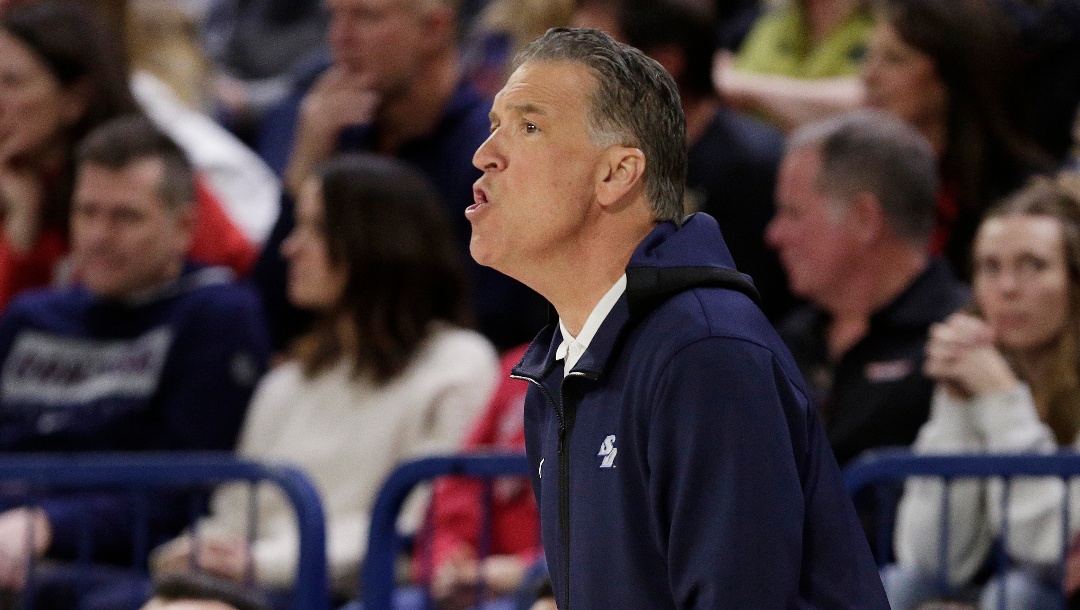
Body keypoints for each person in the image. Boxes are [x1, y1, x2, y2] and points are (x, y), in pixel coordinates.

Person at [468, 27, 888, 608]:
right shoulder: (560, 368)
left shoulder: (705, 353)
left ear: (616, 175)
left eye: (528, 127)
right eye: (494, 125)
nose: (484, 154)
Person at [151, 153, 499, 602]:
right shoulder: (287, 381)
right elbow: (236, 511)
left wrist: (260, 563)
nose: (289, 248)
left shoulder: (457, 364)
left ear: (372, 242)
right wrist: (190, 551)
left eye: (314, 228)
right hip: (251, 588)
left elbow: (420, 524)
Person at [0, 114, 270, 592]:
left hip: (114, 569)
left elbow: (182, 492)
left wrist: (46, 525)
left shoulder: (217, 315)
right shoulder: (31, 317)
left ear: (184, 225)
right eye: (87, 212)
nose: (100, 236)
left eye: (125, 216)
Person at [253, 0, 546, 352]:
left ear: (433, 29)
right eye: (335, 16)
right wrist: (304, 168)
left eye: (365, 16)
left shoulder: (493, 149)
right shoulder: (331, 134)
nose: (340, 37)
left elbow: (496, 323)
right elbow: (274, 319)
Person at [885, 172, 1080, 610]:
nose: (1007, 288)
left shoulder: (994, 383)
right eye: (990, 267)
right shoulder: (976, 368)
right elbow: (929, 557)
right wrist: (956, 404)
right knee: (899, 586)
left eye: (1033, 265)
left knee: (1017, 595)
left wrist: (1000, 399)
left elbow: (1049, 547)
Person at [0, 0, 259, 311]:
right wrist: (20, 233)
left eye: (11, 82)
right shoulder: (15, 184)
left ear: (75, 99)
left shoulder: (147, 175)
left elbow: (246, 287)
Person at [766, 109, 970, 467]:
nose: (774, 235)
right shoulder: (785, 341)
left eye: (793, 213)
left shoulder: (961, 342)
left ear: (865, 218)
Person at [615, 0, 793, 322]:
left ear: (665, 62)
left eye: (611, 59)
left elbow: (757, 302)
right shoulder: (612, 155)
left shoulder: (754, 165)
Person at [861, 0, 1054, 276]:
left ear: (953, 74)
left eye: (895, 59)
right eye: (868, 57)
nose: (869, 76)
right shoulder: (862, 176)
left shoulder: (1024, 194)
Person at [413, 343, 540, 610]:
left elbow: (613, 535)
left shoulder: (632, 366)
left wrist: (531, 571)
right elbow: (460, 486)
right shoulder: (524, 364)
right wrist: (447, 559)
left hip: (554, 587)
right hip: (476, 582)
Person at [712, 0, 871, 131]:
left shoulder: (877, 32)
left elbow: (862, 105)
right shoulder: (774, 21)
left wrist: (747, 90)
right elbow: (729, 92)